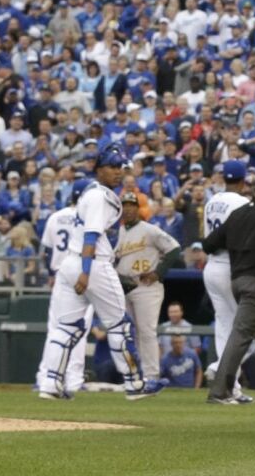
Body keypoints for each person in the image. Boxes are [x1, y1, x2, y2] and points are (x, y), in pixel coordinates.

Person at [39, 147, 164, 400]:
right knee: (121, 325)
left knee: (67, 327)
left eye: (121, 167)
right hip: (91, 263)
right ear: (98, 169)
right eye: (112, 166)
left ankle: (51, 384)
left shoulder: (88, 192)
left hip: (68, 265)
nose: (118, 172)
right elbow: (91, 235)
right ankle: (134, 384)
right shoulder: (101, 196)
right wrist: (86, 272)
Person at [202, 172, 255, 404]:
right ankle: (219, 390)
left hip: (237, 279)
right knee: (240, 335)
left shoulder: (238, 214)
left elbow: (209, 244)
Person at [114, 191, 182, 381]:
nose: (128, 209)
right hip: (124, 286)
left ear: (138, 208)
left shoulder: (149, 229)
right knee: (130, 333)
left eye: (131, 205)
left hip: (146, 286)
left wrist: (158, 273)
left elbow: (175, 249)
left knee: (146, 331)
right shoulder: (117, 232)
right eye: (124, 205)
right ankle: (135, 375)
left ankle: (151, 375)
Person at [201, 160, 253, 400]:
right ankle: (220, 369)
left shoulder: (212, 201)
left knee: (224, 327)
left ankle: (232, 388)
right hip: (231, 267)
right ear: (243, 181)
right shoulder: (243, 202)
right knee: (245, 330)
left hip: (211, 266)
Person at [35, 182, 91, 399]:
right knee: (78, 330)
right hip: (80, 274)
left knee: (55, 328)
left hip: (60, 274)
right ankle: (73, 380)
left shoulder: (55, 216)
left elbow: (47, 251)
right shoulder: (88, 217)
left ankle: (45, 377)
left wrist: (51, 273)